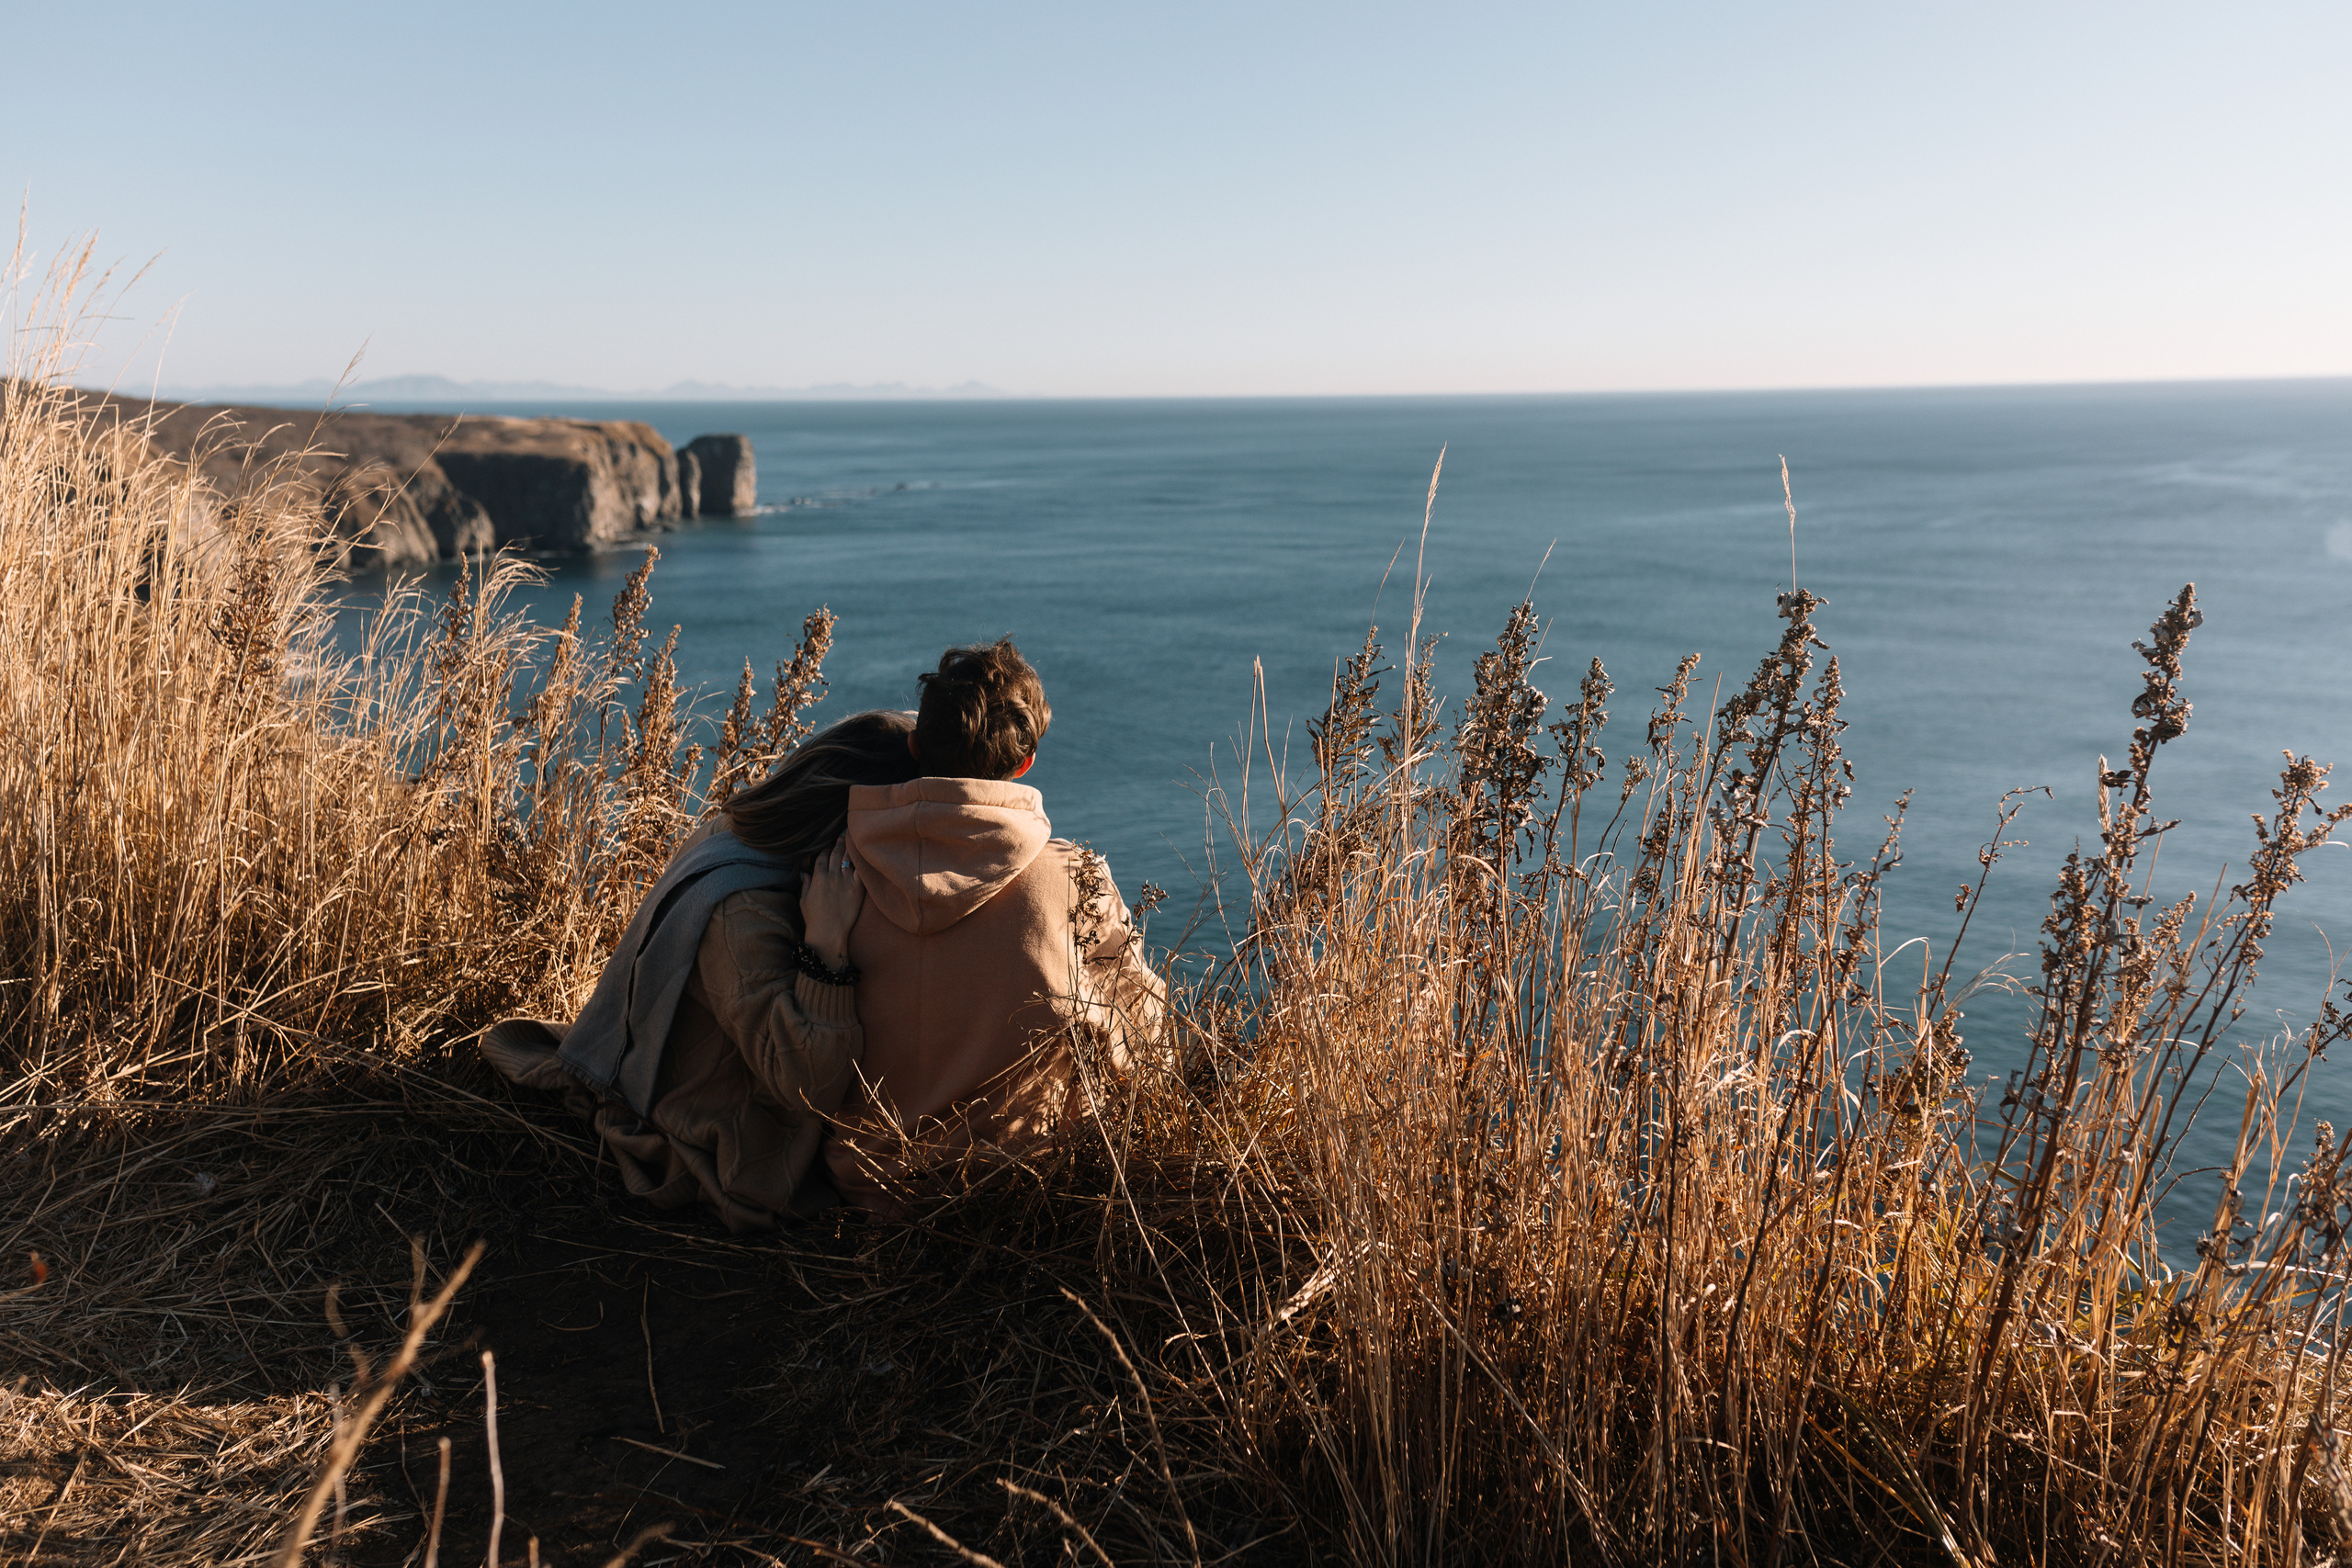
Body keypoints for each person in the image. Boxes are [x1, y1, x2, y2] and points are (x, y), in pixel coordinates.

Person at [481, 709, 920, 1231]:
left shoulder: (759, 846)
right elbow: (808, 1087)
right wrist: (827, 948)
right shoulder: (745, 909)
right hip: (725, 1124)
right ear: (850, 823)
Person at [824, 638, 1166, 1214]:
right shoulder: (1075, 879)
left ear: (914, 746)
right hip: (1017, 1189)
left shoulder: (837, 873)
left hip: (868, 1188)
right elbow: (1146, 1036)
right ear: (1026, 762)